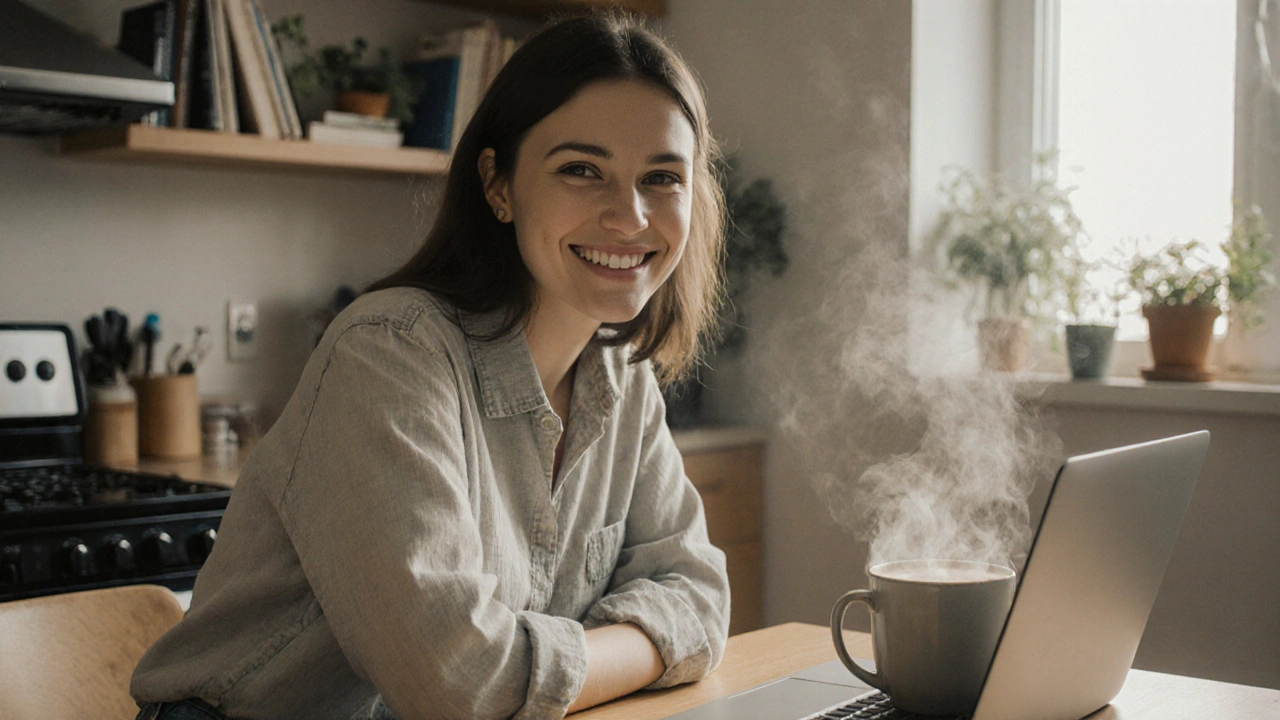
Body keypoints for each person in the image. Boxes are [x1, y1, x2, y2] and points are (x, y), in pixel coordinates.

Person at [130, 11, 731, 720]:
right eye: (581, 169)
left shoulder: (621, 379)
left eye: (662, 177)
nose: (630, 217)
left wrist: (539, 659)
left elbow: (700, 598)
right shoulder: (389, 353)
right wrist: (645, 643)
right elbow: (459, 685)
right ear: (498, 185)